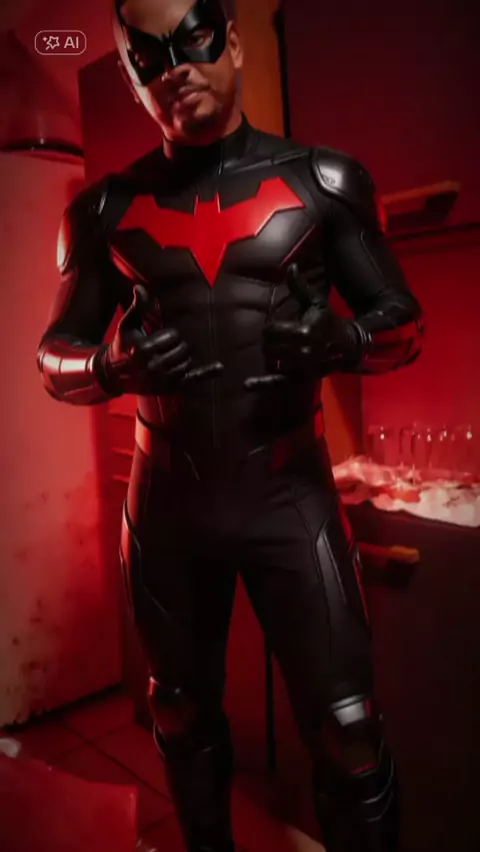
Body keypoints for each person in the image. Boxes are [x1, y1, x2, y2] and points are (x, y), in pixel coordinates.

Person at [36, 1, 424, 850]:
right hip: (168, 505)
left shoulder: (324, 182)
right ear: (133, 80)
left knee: (349, 730)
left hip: (291, 497)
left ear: (234, 40)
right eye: (147, 56)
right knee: (179, 711)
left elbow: (403, 321)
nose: (174, 66)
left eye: (194, 36)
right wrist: (110, 367)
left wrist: (346, 341)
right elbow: (54, 355)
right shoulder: (103, 211)